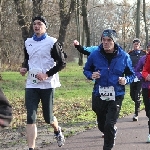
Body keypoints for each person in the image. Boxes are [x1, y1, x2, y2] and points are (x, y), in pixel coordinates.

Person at [83, 29, 135, 150]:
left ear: (114, 41)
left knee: (109, 123)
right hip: (99, 93)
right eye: (103, 40)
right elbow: (86, 69)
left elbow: (132, 74)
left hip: (116, 94)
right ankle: (110, 131)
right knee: (102, 123)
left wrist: (125, 80)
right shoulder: (95, 54)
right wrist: (91, 75)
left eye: (109, 40)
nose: (105, 42)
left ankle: (108, 147)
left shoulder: (124, 56)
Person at [20, 16, 66, 150]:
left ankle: (57, 130)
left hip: (47, 84)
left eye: (39, 24)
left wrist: (47, 74)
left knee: (48, 118)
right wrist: (24, 68)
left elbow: (62, 63)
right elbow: (28, 59)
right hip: (32, 84)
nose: (36, 26)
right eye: (34, 24)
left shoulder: (52, 42)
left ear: (45, 27)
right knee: (30, 116)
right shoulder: (28, 42)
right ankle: (31, 148)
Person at [128, 38, 146, 121]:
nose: (136, 46)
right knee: (132, 95)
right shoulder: (130, 54)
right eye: (135, 44)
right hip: (132, 77)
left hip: (140, 77)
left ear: (140, 46)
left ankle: (136, 114)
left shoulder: (144, 53)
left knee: (137, 95)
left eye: (137, 44)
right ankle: (138, 102)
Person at [141, 43, 150, 142]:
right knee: (148, 112)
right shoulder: (148, 57)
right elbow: (144, 70)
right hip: (147, 88)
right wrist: (146, 75)